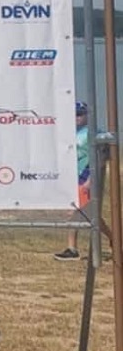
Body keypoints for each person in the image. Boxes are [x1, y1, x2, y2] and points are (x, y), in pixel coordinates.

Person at [54, 100, 111, 260]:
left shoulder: (91, 133)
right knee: (86, 214)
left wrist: (91, 179)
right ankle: (113, 239)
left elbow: (101, 156)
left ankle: (73, 249)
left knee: (81, 213)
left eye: (80, 114)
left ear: (87, 115)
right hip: (74, 176)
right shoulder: (70, 132)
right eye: (74, 114)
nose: (76, 117)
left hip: (86, 176)